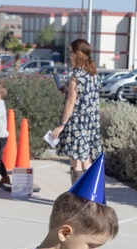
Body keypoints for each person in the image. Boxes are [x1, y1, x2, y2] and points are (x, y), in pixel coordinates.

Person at [50, 39, 102, 185]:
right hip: (91, 123)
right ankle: (91, 196)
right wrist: (67, 91)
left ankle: (78, 197)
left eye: (70, 52)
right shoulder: (93, 74)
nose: (69, 55)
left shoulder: (76, 76)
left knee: (76, 163)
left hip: (77, 122)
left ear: (77, 54)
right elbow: (84, 96)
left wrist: (62, 125)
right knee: (87, 160)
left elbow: (71, 102)